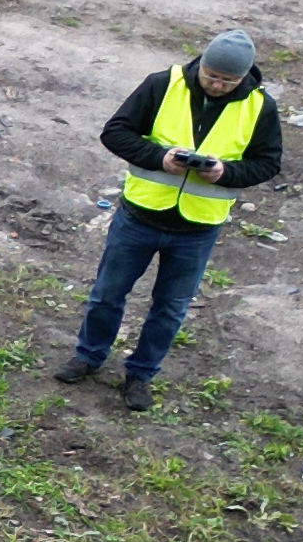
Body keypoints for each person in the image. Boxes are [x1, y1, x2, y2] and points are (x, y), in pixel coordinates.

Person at [63, 26, 281, 414]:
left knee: (170, 307)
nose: (217, 86)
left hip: (197, 230)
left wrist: (225, 174)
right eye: (211, 76)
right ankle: (89, 357)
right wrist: (159, 158)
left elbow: (268, 163)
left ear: (244, 77)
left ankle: (141, 374)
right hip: (139, 216)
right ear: (201, 64)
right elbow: (115, 133)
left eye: (228, 81)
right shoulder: (163, 85)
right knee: (107, 294)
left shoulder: (259, 107)